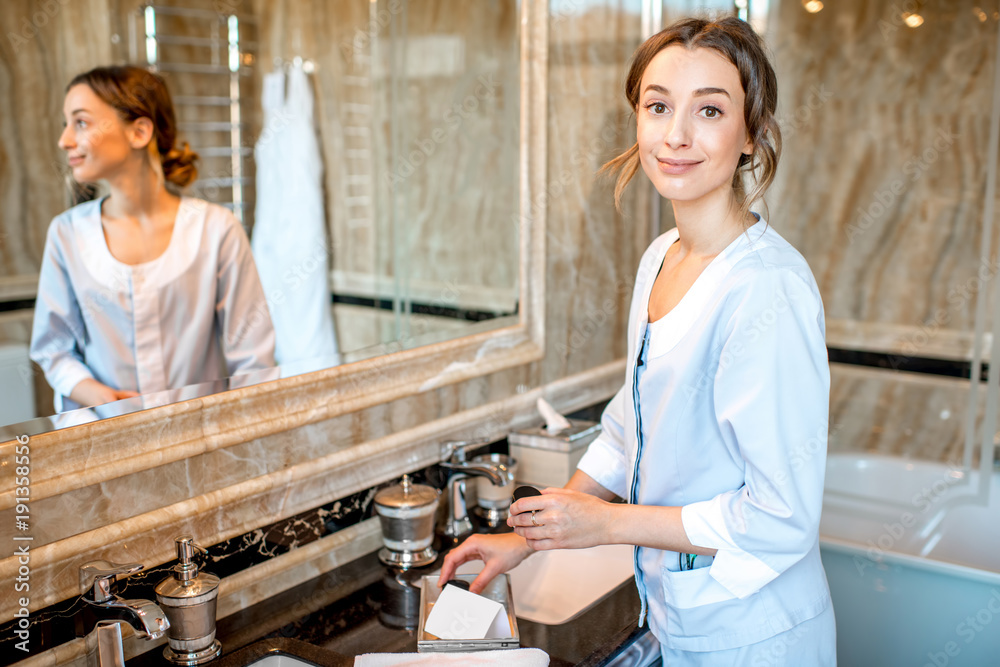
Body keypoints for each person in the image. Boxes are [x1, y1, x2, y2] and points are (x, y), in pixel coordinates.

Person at [439, 16, 836, 665]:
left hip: (757, 637)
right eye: (658, 106)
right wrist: (536, 536)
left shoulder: (768, 289)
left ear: (751, 134)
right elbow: (629, 429)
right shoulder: (660, 258)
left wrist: (607, 524)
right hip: (680, 622)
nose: (676, 135)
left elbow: (781, 516)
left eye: (710, 109)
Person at [30, 66, 275, 413]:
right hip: (99, 443)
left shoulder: (217, 229)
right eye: (65, 124)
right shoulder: (66, 233)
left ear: (139, 131)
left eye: (81, 122)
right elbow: (53, 348)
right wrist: (96, 394)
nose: (65, 140)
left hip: (197, 446)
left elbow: (254, 365)